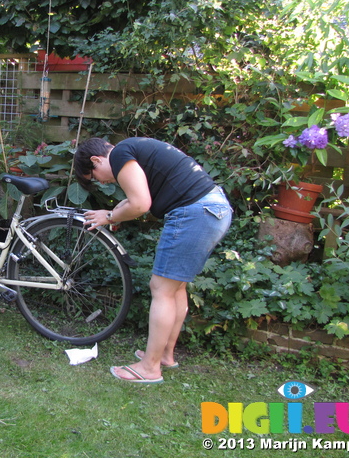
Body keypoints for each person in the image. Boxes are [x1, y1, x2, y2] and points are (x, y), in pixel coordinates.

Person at [74, 137, 232, 384]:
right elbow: (134, 198)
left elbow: (140, 204)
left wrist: (112, 215)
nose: (101, 182)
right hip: (212, 209)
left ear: (96, 160)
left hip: (194, 212)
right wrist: (110, 215)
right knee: (175, 287)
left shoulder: (119, 155)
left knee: (161, 289)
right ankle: (165, 355)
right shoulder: (132, 150)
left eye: (94, 176)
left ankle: (149, 368)